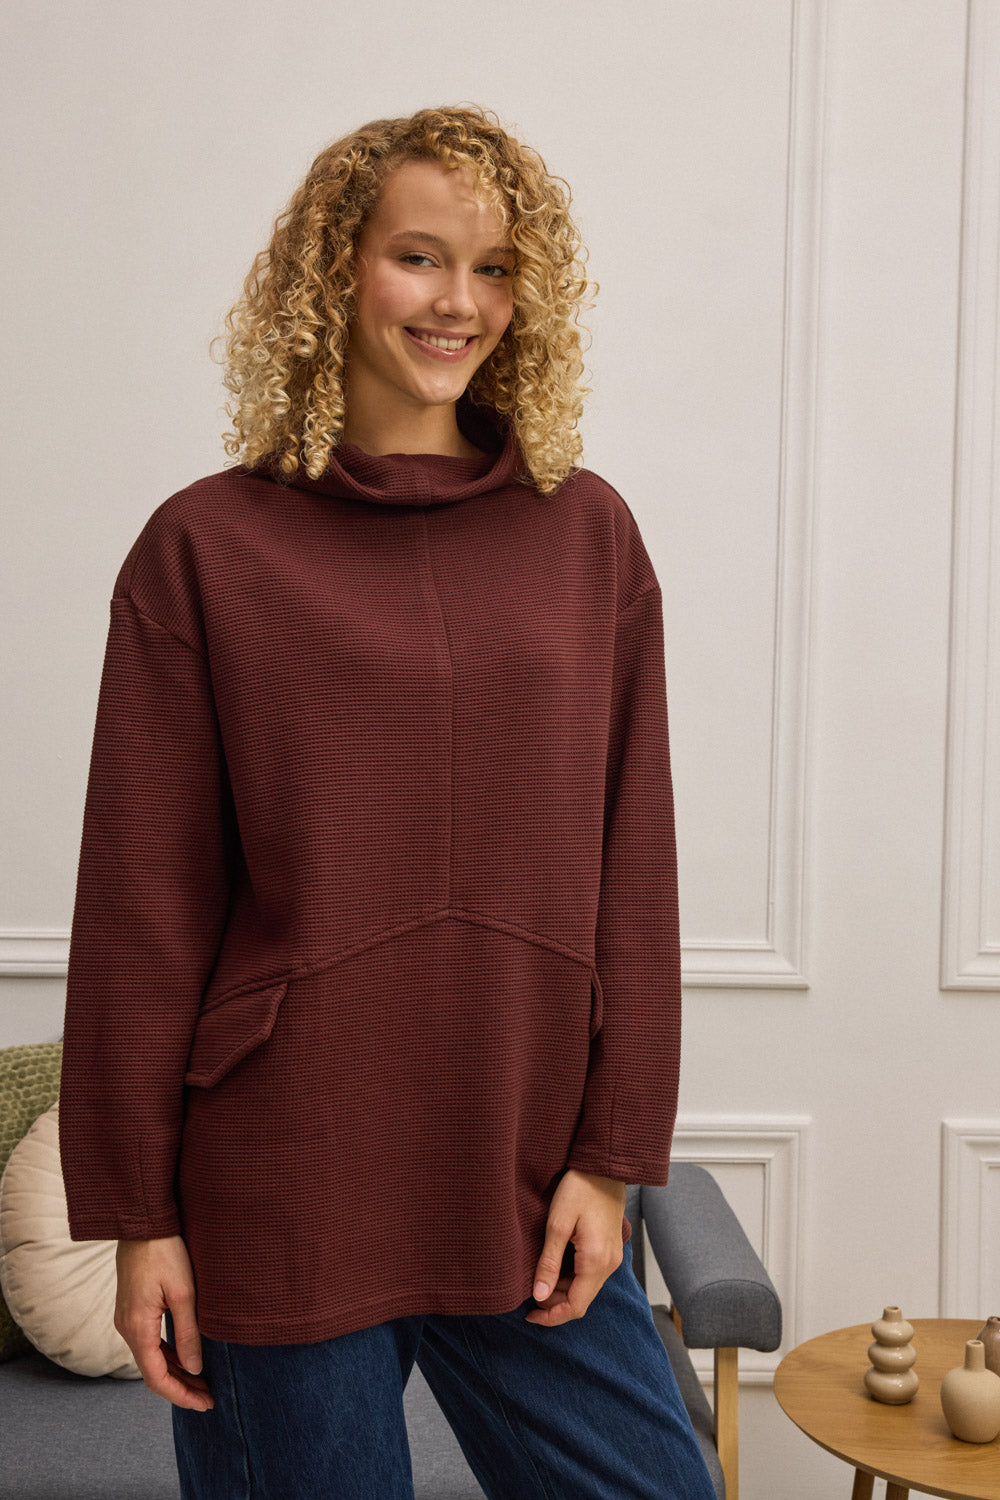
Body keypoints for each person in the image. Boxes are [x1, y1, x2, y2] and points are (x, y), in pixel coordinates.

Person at [58, 103, 716, 1499]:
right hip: (289, 1176)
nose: (458, 301)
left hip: (524, 1165)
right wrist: (139, 1219)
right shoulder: (207, 546)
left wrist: (612, 1159)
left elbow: (634, 867)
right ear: (334, 272)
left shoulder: (586, 532)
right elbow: (144, 906)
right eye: (420, 257)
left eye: (494, 268)